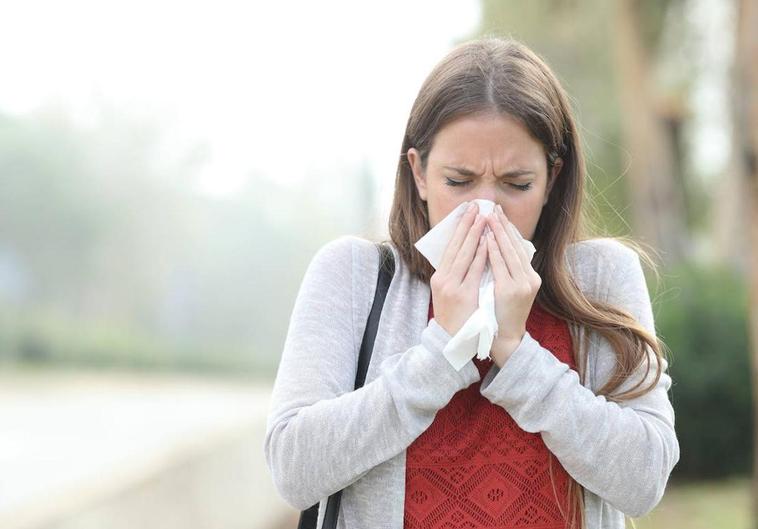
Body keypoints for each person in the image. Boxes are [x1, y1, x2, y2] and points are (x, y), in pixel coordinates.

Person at [264, 36, 679, 529]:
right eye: (458, 182)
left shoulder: (602, 276)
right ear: (418, 173)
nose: (486, 211)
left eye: (517, 184)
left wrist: (517, 352)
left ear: (552, 177)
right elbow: (293, 469)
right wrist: (440, 352)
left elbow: (644, 481)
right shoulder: (353, 275)